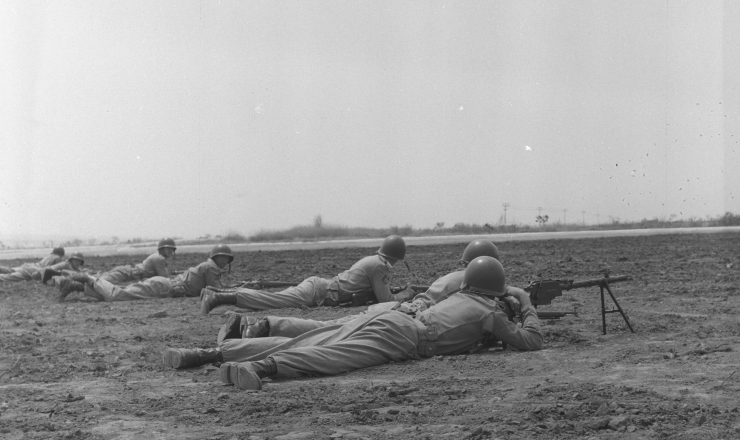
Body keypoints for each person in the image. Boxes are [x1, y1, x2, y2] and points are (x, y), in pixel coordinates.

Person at [163, 256, 543, 392]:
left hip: (395, 315)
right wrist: (524, 302)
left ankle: (204, 354)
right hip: (406, 334)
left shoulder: (461, 294)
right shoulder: (490, 312)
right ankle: (260, 367)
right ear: (498, 291)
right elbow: (531, 341)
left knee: (316, 335)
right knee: (331, 356)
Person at [217, 239, 505, 343]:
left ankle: (257, 326)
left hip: (336, 294)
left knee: (329, 329)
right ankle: (241, 312)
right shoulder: (463, 280)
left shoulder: (377, 261)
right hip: (334, 296)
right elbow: (401, 299)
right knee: (329, 335)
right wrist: (403, 295)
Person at [199, 235, 416, 315]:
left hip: (319, 289)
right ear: (398, 256)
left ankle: (216, 292)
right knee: (271, 301)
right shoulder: (380, 266)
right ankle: (218, 297)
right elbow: (386, 301)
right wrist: (405, 294)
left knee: (273, 299)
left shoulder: (374, 261)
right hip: (317, 292)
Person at [57, 244, 232, 302]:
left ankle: (76, 286)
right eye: (222, 258)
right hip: (163, 288)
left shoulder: (209, 267)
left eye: (227, 259)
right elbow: (218, 291)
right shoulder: (210, 268)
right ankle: (89, 278)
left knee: (115, 295)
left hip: (163, 286)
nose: (224, 262)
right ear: (215, 257)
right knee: (119, 295)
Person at [46, 238, 177, 287]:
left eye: (172, 249)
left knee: (96, 279)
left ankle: (64, 279)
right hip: (125, 274)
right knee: (96, 281)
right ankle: (63, 280)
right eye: (168, 249)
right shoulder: (159, 259)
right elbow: (164, 278)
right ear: (162, 249)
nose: (170, 251)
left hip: (126, 272)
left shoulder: (159, 257)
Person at [0, 247, 69, 282]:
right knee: (13, 276)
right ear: (61, 254)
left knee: (11, 270)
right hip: (36, 269)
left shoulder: (49, 256)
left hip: (31, 265)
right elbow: (57, 270)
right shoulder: (58, 258)